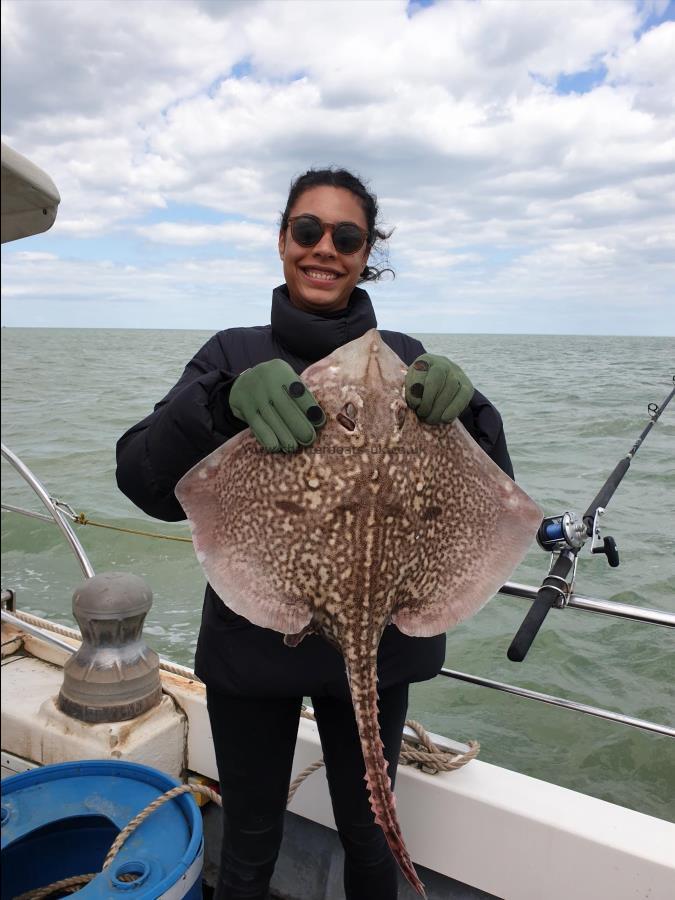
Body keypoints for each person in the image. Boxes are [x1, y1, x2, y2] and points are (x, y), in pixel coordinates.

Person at [116, 168, 513, 900]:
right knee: (251, 842)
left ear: (368, 253)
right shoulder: (231, 355)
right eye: (307, 230)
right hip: (253, 648)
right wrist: (218, 404)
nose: (323, 248)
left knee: (371, 835)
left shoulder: (404, 356)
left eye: (346, 236)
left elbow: (487, 492)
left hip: (379, 640)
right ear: (281, 241)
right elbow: (143, 482)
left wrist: (474, 414)